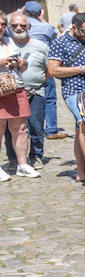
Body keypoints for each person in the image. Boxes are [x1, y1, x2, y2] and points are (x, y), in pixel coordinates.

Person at [46, 12, 85, 183]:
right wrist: (81, 69)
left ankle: (81, 172)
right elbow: (53, 71)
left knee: (81, 128)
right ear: (73, 27)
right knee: (83, 121)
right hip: (73, 90)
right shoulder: (59, 43)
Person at [4, 11, 46, 172]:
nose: (19, 28)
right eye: (14, 25)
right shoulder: (6, 43)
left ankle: (36, 156)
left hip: (36, 91)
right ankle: (13, 159)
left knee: (36, 126)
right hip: (11, 92)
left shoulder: (40, 45)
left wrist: (38, 81)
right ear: (9, 27)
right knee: (11, 129)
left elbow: (48, 68)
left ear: (29, 26)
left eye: (22, 25)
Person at [23, 1, 61, 139]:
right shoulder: (46, 27)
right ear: (40, 13)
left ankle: (26, 128)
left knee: (24, 98)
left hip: (26, 67)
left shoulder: (18, 26)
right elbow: (54, 37)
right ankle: (51, 129)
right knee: (49, 98)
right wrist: (42, 18)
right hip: (45, 64)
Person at [0, 33, 33, 181]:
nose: (1, 27)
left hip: (16, 87)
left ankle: (22, 165)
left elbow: (23, 68)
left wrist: (21, 63)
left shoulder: (10, 42)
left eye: (2, 24)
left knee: (20, 129)